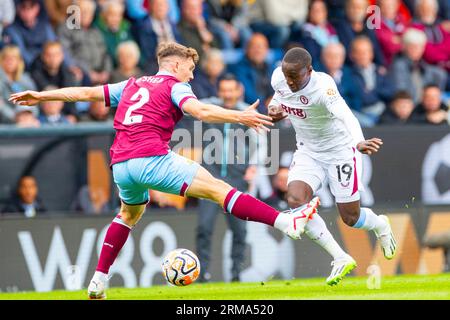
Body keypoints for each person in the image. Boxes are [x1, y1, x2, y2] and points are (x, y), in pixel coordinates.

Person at [9, 42, 320, 300]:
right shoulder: (175, 86)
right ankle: (285, 222)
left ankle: (99, 280)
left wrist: (41, 97)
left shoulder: (131, 85)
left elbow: (84, 93)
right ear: (175, 65)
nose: (192, 73)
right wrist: (240, 117)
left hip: (121, 166)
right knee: (220, 190)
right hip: (151, 158)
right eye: (190, 67)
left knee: (128, 215)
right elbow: (200, 111)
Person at [268, 47, 398, 284]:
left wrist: (359, 141)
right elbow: (278, 99)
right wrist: (274, 109)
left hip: (339, 152)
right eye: (287, 76)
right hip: (308, 151)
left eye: (294, 77)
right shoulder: (279, 77)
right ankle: (339, 257)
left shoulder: (323, 87)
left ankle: (380, 224)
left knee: (350, 217)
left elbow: (347, 116)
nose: (289, 81)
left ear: (309, 71)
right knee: (296, 201)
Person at [195, 74, 254, 283]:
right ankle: (201, 274)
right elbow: (190, 105)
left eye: (231, 90)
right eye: (224, 90)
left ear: (239, 90)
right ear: (218, 91)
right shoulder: (210, 108)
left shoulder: (247, 112)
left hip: (236, 179)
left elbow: (262, 141)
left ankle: (236, 274)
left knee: (239, 230)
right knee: (204, 227)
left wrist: (254, 165)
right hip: (209, 178)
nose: (227, 94)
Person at [2, 0, 57, 69]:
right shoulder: (12, 29)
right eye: (23, 7)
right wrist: (39, 66)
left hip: (47, 64)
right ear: (18, 9)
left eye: (31, 7)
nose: (27, 12)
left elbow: (55, 46)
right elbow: (22, 53)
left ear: (37, 8)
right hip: (27, 69)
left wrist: (69, 65)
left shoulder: (45, 26)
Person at [0, 45, 36, 124]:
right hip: (5, 122)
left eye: (13, 58)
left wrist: (30, 116)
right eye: (6, 59)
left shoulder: (26, 79)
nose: (10, 61)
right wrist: (15, 117)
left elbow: (35, 100)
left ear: (19, 61)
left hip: (27, 119)